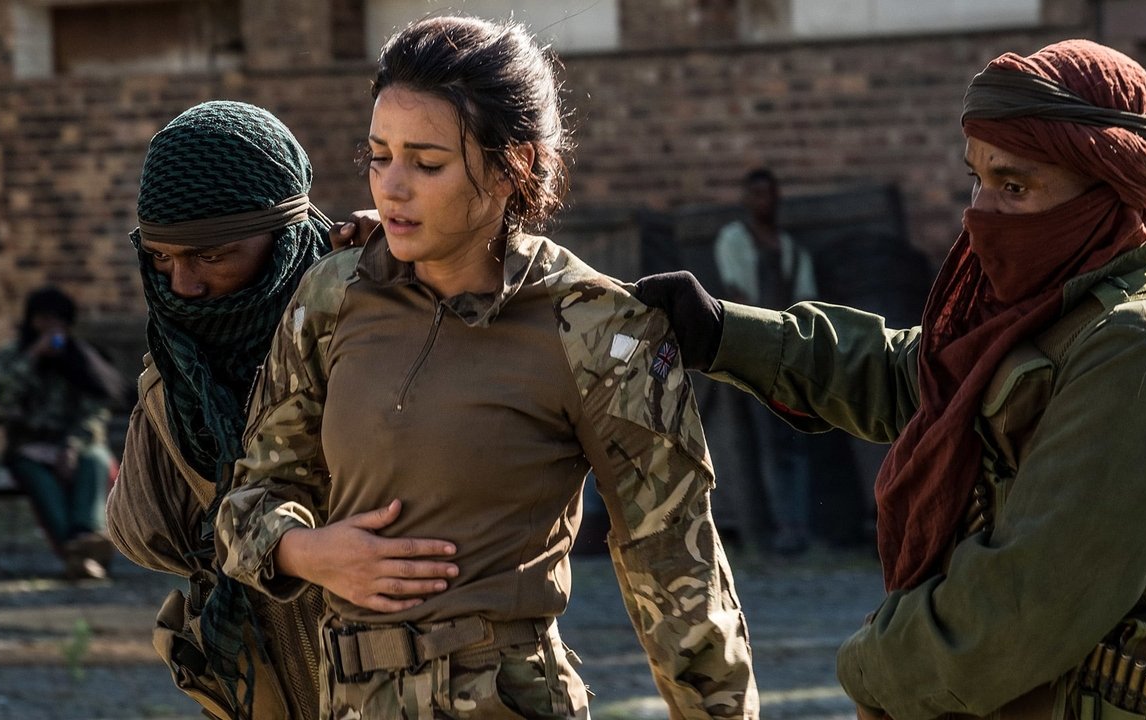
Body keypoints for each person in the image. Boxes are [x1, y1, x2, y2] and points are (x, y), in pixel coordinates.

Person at [637, 39, 1146, 720]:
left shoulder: (1141, 346)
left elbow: (1023, 605)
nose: (981, 214)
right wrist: (725, 333)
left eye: (1014, 186)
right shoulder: (1048, 306)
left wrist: (871, 667)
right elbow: (916, 377)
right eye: (977, 180)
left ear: (1108, 193)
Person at [215, 15, 757, 719]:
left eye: (427, 163)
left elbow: (677, 569)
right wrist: (305, 552)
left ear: (514, 166)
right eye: (378, 156)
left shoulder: (595, 327)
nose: (392, 187)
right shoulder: (333, 296)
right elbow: (250, 500)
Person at [105, 100, 459, 720]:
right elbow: (144, 530)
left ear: (282, 236)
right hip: (261, 691)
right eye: (162, 257)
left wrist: (419, 273)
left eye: (211, 255)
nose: (182, 285)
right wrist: (283, 548)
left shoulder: (375, 317)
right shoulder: (178, 373)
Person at [713, 167, 818, 556]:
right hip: (757, 353)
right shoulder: (734, 240)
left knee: (798, 441)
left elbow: (807, 303)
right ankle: (780, 526)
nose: (764, 202)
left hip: (792, 357)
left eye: (770, 194)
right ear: (746, 199)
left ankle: (799, 526)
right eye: (757, 194)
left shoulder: (790, 249)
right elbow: (736, 293)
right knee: (769, 442)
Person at [0, 285, 123, 580]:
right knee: (41, 480)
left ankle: (86, 537)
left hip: (77, 444)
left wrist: (72, 446)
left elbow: (94, 413)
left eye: (57, 320)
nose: (50, 327)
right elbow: (5, 398)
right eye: (43, 319)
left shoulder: (81, 359)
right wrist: (33, 356)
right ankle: (76, 550)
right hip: (29, 446)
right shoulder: (12, 355)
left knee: (97, 461)